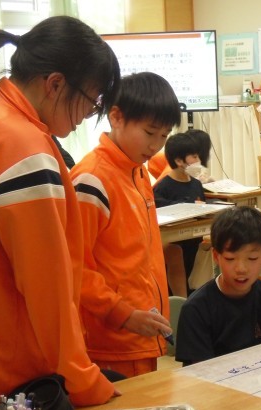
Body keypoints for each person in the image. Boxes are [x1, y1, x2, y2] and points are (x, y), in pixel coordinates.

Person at [0, 16, 120, 407]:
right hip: (10, 378)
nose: (87, 115)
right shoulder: (23, 147)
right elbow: (45, 287)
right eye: (92, 100)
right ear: (54, 84)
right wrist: (82, 381)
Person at [70, 72, 181, 378]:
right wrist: (122, 314)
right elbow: (74, 267)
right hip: (109, 340)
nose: (156, 145)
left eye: (164, 136)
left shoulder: (139, 172)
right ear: (116, 117)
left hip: (141, 332)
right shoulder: (92, 179)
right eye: (149, 132)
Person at [176, 206, 261, 365]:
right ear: (216, 256)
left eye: (252, 258)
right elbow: (199, 373)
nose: (241, 269)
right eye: (230, 259)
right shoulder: (196, 308)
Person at [154, 132, 208, 297]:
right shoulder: (162, 187)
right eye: (194, 156)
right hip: (173, 245)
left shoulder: (196, 184)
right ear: (179, 161)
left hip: (194, 240)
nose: (198, 160)